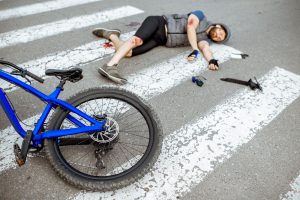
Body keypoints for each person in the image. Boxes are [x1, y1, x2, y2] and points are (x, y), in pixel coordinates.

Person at [92, 10, 231, 84]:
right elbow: (190, 26)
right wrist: (194, 49)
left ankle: (112, 35)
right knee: (137, 41)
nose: (218, 35)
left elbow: (205, 48)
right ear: (218, 26)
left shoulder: (205, 39)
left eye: (220, 38)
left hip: (160, 39)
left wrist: (212, 60)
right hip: (159, 23)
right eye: (220, 32)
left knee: (127, 53)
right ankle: (110, 66)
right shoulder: (201, 16)